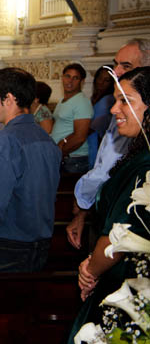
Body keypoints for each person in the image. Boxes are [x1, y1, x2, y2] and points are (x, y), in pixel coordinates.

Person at [66, 67, 150, 344]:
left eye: (126, 100)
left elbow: (121, 234)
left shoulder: (145, 168)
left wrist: (91, 268)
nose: (114, 109)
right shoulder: (138, 155)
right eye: (116, 99)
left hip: (128, 285)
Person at [0, 68, 61, 273]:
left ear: (8, 99)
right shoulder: (46, 140)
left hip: (7, 246)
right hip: (42, 243)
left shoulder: (4, 141)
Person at [66, 39, 150, 249]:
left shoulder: (136, 119)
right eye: (116, 64)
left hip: (121, 223)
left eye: (126, 66)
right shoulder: (121, 108)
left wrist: (82, 200)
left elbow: (108, 170)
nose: (116, 71)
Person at [51, 64, 93, 174]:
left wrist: (60, 152)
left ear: (82, 82)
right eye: (67, 76)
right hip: (64, 157)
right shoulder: (63, 100)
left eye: (75, 78)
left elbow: (80, 137)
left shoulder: (82, 102)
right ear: (62, 78)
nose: (70, 81)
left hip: (73, 159)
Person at [87, 66, 115, 168]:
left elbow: (95, 126)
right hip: (90, 142)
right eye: (99, 78)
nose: (101, 82)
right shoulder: (93, 98)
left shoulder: (108, 100)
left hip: (98, 142)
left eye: (106, 80)